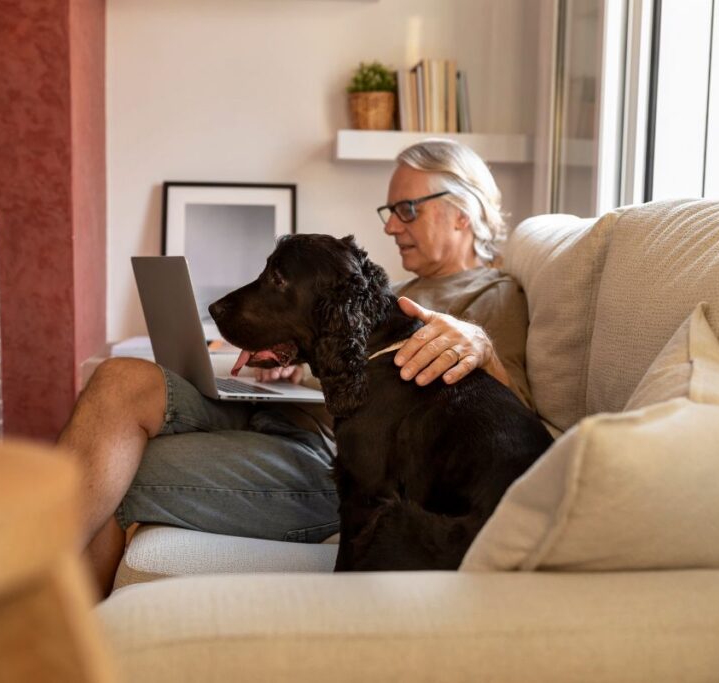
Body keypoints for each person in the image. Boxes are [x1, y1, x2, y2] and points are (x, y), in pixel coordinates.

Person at [59, 139, 533, 597]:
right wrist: (293, 355)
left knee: (113, 465)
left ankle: (36, 610)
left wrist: (482, 346)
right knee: (121, 377)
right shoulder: (392, 288)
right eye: (389, 212)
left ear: (462, 215)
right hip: (293, 414)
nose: (391, 227)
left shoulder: (492, 296)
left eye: (408, 210)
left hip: (336, 461)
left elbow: (513, 419)